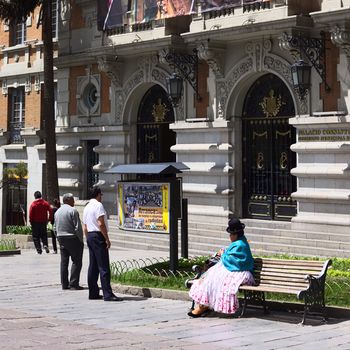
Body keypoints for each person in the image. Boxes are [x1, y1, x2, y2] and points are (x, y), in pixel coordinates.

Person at [188, 218, 255, 317]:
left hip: (240, 271)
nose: (230, 237)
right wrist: (225, 252)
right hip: (233, 269)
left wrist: (223, 254)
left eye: (231, 234)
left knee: (218, 281)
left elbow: (235, 261)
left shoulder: (240, 244)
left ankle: (204, 306)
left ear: (236, 234)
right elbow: (231, 256)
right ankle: (203, 305)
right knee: (210, 279)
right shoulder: (239, 242)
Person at [83, 187, 123, 302]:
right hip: (98, 235)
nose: (102, 196)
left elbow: (85, 226)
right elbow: (101, 224)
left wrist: (88, 238)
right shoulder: (98, 206)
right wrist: (107, 239)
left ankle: (93, 292)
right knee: (103, 266)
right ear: (98, 195)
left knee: (93, 266)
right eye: (101, 194)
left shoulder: (87, 207)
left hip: (90, 235)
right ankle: (107, 294)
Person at [54, 193, 84, 290]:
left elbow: (54, 227)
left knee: (64, 262)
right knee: (76, 261)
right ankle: (74, 283)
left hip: (61, 238)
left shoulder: (57, 212)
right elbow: (78, 227)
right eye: (72, 199)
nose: (74, 202)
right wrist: (81, 240)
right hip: (72, 238)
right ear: (68, 200)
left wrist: (58, 237)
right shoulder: (73, 210)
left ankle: (64, 284)